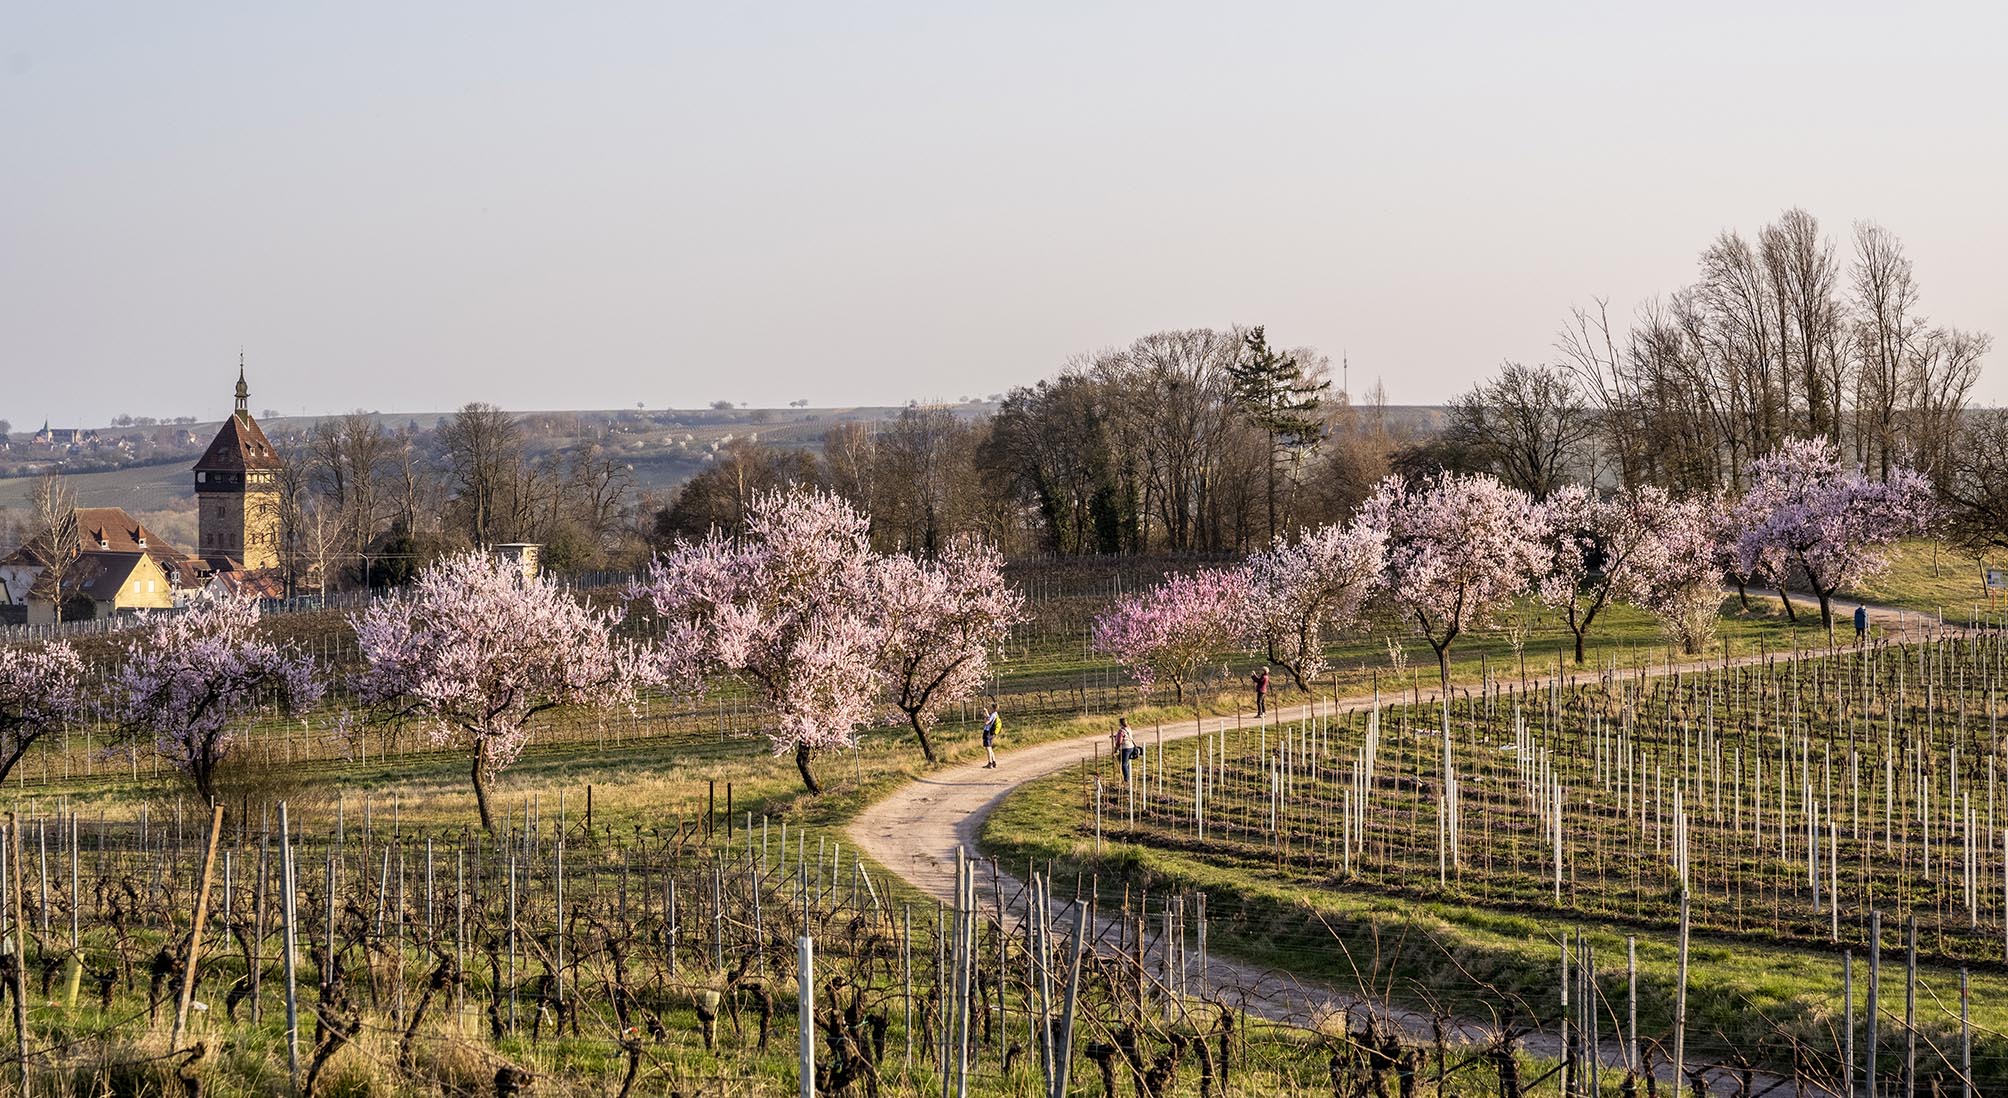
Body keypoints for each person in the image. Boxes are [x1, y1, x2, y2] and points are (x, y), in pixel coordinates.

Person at [1115, 717, 1136, 783]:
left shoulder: (1121, 731)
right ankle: (1128, 775)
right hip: (1131, 746)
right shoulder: (1128, 728)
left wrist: (1116, 748)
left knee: (1123, 764)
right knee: (1127, 762)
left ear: (1120, 723)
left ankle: (1126, 779)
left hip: (1125, 748)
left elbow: (1119, 741)